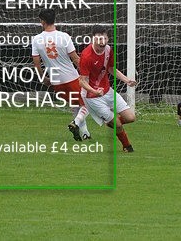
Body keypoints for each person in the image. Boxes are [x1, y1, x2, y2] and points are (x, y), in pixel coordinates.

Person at [31, 9, 92, 141]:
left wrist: (43, 78)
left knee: (76, 105)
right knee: (88, 103)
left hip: (56, 81)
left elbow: (36, 64)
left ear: (42, 21)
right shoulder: (64, 36)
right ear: (54, 20)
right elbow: (75, 58)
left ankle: (85, 134)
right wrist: (87, 73)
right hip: (71, 78)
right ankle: (75, 123)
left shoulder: (36, 39)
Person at [78, 25, 137, 152]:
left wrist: (127, 80)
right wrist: (94, 91)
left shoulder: (109, 50)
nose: (102, 42)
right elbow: (82, 81)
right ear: (93, 39)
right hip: (92, 97)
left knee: (130, 118)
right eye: (99, 38)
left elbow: (111, 69)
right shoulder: (86, 56)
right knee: (118, 124)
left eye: (104, 38)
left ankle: (110, 122)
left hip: (107, 91)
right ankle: (127, 146)